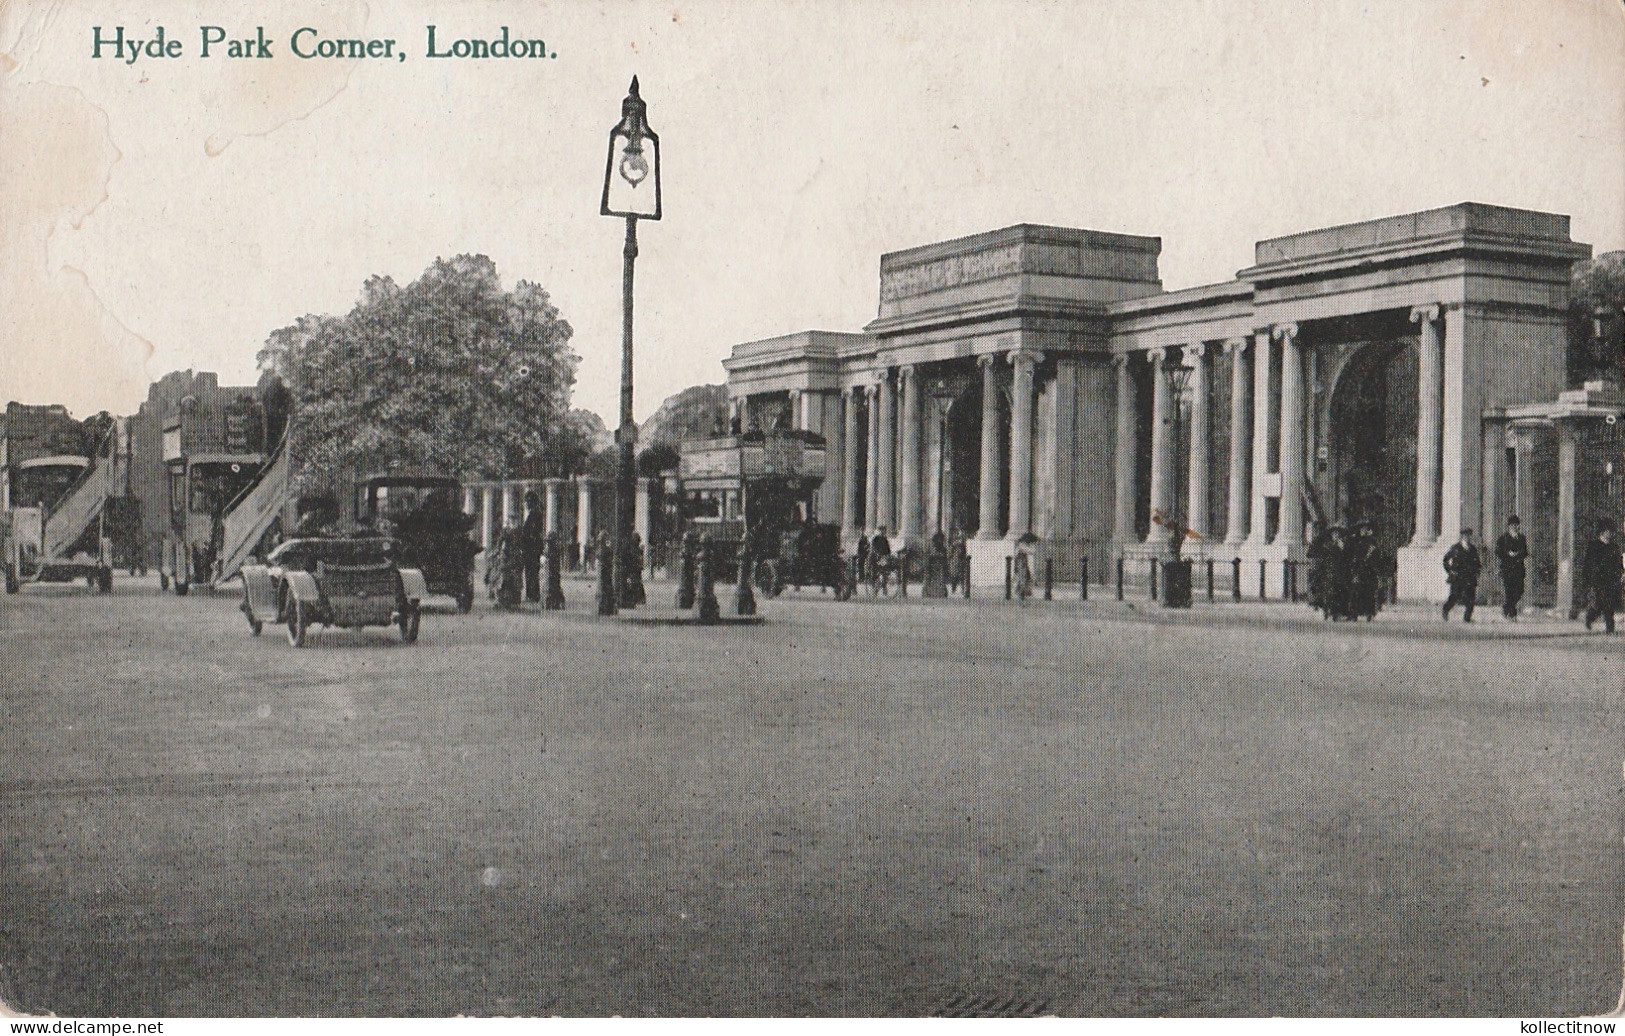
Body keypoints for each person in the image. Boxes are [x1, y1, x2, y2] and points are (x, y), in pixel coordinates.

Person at [1582, 519, 1622, 633]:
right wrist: (1588, 580)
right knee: (1599, 604)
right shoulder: (1594, 546)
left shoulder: (1614, 547)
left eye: (1612, 531)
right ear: (1603, 532)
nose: (1611, 534)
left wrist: (1619, 574)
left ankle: (1610, 628)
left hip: (1611, 580)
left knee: (1609, 604)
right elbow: (1588, 564)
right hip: (1597, 580)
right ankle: (1590, 618)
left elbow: (1618, 563)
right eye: (1609, 531)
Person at [1441, 527, 1481, 622]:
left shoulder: (1472, 549)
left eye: (1468, 536)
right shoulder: (1456, 548)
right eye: (1465, 536)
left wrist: (1477, 572)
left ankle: (1467, 617)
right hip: (1457, 576)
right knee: (1454, 596)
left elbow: (1477, 562)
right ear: (1461, 537)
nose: (1467, 538)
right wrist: (1450, 570)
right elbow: (1446, 560)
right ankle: (1445, 610)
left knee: (1471, 598)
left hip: (1469, 576)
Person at [1494, 515, 1529, 620]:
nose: (1514, 527)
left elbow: (1525, 552)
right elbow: (1498, 551)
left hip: (1518, 568)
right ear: (1509, 526)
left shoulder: (1522, 538)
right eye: (1512, 525)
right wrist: (1507, 553)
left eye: (1516, 525)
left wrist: (1518, 554)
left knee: (1519, 590)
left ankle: (1506, 607)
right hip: (1507, 568)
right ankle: (1512, 614)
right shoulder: (1503, 538)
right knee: (1509, 591)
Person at [520, 491, 545, 604]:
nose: (525, 504)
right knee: (531, 572)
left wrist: (522, 535)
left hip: (531, 548)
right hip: (532, 547)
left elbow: (530, 532)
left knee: (531, 572)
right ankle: (532, 594)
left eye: (526, 501)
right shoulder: (535, 513)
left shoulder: (534, 514)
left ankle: (532, 595)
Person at [867, 526, 893, 596]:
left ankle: (884, 589)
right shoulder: (875, 538)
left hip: (882, 558)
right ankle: (874, 589)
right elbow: (873, 548)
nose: (883, 532)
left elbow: (888, 549)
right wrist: (877, 554)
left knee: (885, 573)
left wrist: (889, 555)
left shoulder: (885, 539)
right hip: (874, 558)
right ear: (879, 531)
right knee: (874, 573)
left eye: (884, 531)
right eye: (882, 531)